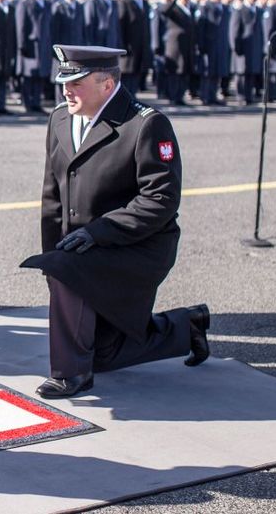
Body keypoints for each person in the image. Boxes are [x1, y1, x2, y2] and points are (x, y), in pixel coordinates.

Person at [20, 45, 210, 398]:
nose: (66, 89)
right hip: (80, 248)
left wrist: (99, 232)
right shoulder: (61, 118)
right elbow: (53, 194)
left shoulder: (145, 124)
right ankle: (187, 327)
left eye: (76, 82)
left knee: (70, 274)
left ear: (107, 85)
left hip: (132, 244)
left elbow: (160, 200)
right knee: (104, 354)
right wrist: (52, 257)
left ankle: (70, 374)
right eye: (64, 80)